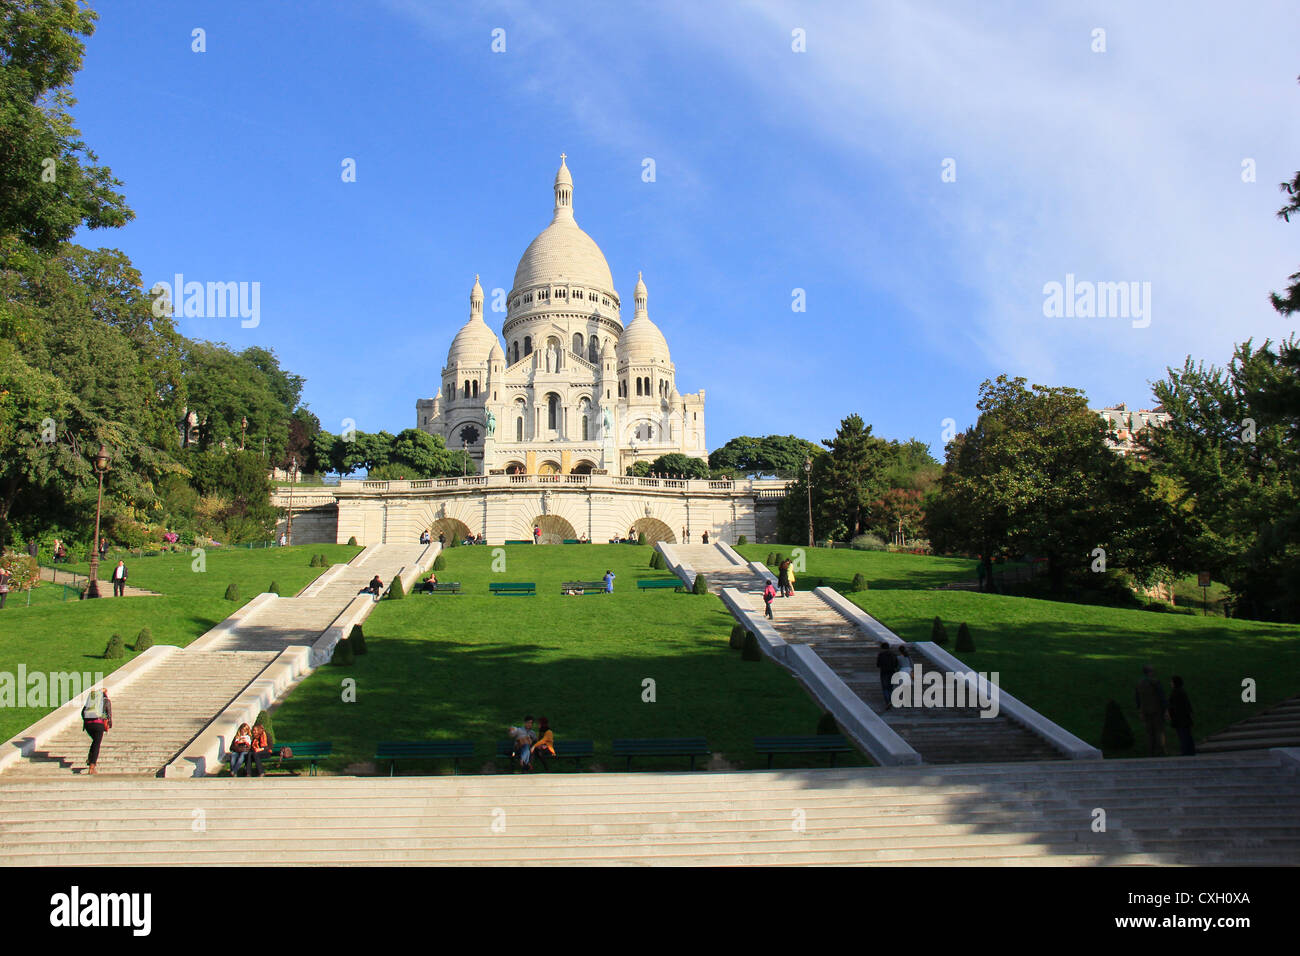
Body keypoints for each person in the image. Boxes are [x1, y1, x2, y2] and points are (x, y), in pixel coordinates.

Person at [1135, 664, 1168, 756]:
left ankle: (1151, 751)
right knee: (1159, 731)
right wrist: (1166, 709)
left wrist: (1140, 710)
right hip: (1157, 710)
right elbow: (1162, 697)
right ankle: (1161, 750)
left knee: (1149, 732)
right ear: (1150, 672)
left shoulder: (1139, 683)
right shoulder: (1155, 682)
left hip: (1145, 711)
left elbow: (1137, 699)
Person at [81, 687, 112, 774]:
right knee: (96, 744)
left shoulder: (91, 701)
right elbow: (109, 715)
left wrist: (87, 721)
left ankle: (90, 758)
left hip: (88, 725)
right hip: (98, 724)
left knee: (95, 742)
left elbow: (82, 712)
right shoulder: (106, 701)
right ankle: (92, 766)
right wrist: (109, 725)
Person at [1168, 675, 1194, 756]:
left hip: (1179, 718)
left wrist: (1170, 714)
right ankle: (1190, 751)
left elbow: (1173, 706)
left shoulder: (1175, 693)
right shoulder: (1182, 692)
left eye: (1171, 682)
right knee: (1186, 735)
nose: (1170, 684)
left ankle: (1186, 752)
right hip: (1184, 718)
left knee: (1183, 736)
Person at [876, 642, 900, 709]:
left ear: (882, 648)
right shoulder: (893, 654)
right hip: (892, 671)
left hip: (884, 672)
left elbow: (878, 664)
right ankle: (891, 699)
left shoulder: (881, 655)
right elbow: (896, 664)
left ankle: (888, 701)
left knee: (885, 687)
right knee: (890, 687)